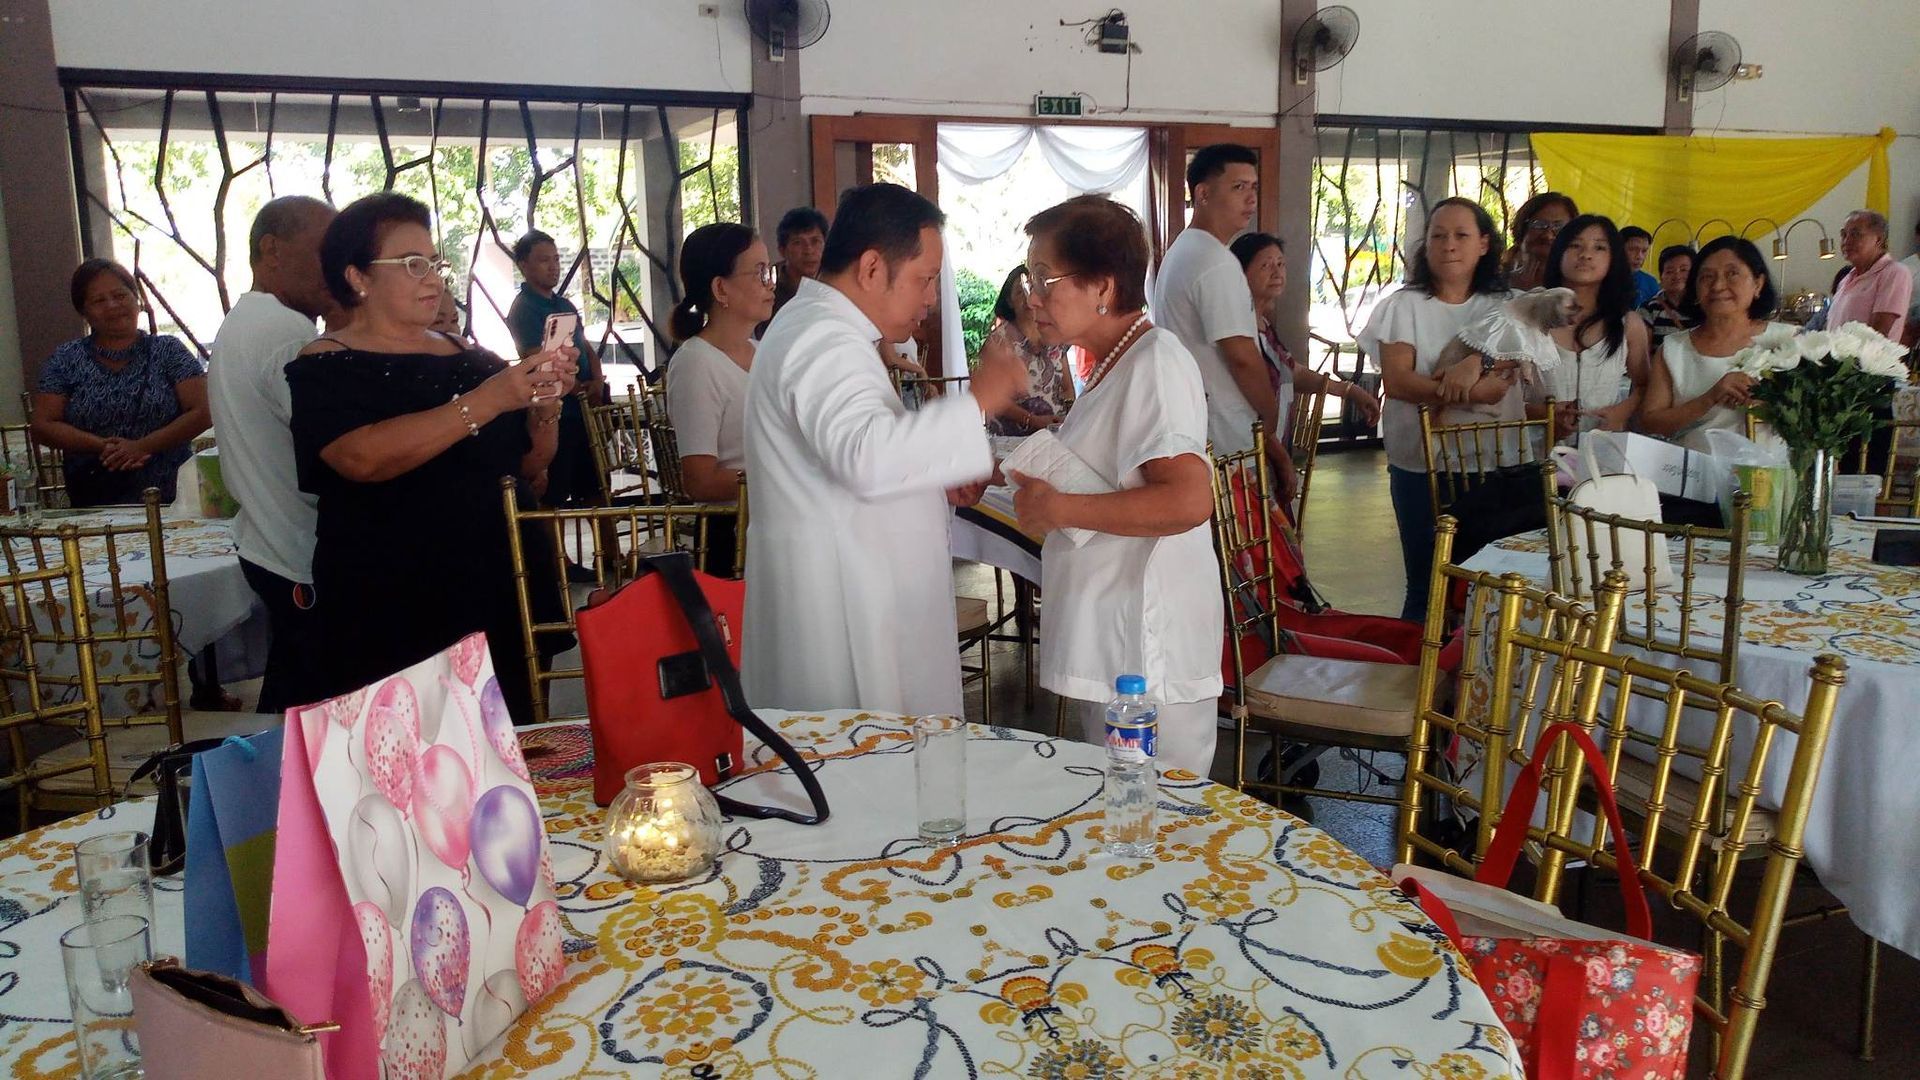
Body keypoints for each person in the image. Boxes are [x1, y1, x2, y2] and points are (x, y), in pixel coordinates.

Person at [286, 193, 577, 723]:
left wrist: (545, 402)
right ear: (358, 277)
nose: (433, 278)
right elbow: (361, 458)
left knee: (501, 751)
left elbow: (533, 463)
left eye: (435, 263)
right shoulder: (326, 365)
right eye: (413, 265)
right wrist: (488, 400)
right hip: (389, 591)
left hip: (490, 578)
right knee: (400, 757)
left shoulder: (473, 358)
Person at [740, 183, 1025, 716]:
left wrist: (934, 474)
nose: (931, 298)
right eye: (925, 279)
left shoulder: (830, 332)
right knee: (861, 772)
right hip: (843, 613)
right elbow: (865, 457)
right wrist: (981, 398)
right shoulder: (821, 338)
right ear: (872, 268)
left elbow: (857, 449)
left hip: (857, 590)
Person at [1008, 196, 1223, 776]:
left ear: (1102, 286)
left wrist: (1060, 506)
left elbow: (1187, 498)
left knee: (1154, 824)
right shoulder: (1111, 362)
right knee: (1118, 823)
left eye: (1045, 279)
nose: (1032, 297)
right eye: (1031, 277)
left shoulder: (1155, 360)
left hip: (1148, 652)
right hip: (1117, 644)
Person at [1358, 197, 1516, 623]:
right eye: (1438, 235)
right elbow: (1400, 381)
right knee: (1426, 583)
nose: (1449, 245)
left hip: (1493, 463)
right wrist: (1468, 392)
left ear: (1484, 243)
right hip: (1419, 462)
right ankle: (1417, 679)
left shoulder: (1507, 306)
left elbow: (1505, 377)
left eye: (1461, 235)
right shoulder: (1403, 306)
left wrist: (1472, 367)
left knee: (1487, 584)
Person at [208, 195, 337, 713]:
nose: (337, 264)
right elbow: (335, 443)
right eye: (325, 249)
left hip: (272, 541)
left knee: (296, 698)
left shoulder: (251, 320)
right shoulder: (283, 330)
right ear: (272, 249)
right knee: (318, 708)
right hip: (299, 550)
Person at [32, 260, 211, 506]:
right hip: (94, 500)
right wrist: (104, 447)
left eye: (119, 295)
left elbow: (203, 412)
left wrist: (142, 446)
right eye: (99, 301)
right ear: (83, 312)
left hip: (173, 499)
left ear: (137, 300)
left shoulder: (169, 350)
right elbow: (43, 425)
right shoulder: (66, 358)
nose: (113, 306)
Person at [1153, 145, 1282, 479]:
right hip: (1227, 438)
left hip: (1199, 425)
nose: (1250, 198)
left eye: (1254, 187)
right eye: (1238, 187)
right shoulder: (1214, 261)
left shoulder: (1183, 249)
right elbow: (1241, 355)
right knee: (1238, 529)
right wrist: (1270, 418)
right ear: (1203, 194)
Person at [663, 222, 773, 574]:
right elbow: (700, 479)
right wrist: (783, 474)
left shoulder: (761, 352)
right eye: (758, 273)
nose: (769, 283)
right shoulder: (697, 362)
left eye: (769, 270)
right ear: (720, 288)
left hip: (774, 522)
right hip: (733, 533)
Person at [1229, 232, 1382, 448]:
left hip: (1270, 446)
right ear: (1240, 273)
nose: (1277, 272)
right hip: (1245, 448)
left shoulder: (1263, 324)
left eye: (1281, 264)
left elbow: (1291, 371)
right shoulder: (1235, 330)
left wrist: (1348, 390)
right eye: (1266, 265)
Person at [1640, 236, 1791, 451]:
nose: (1718, 286)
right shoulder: (1674, 349)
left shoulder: (1789, 343)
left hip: (1770, 477)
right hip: (1694, 475)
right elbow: (1650, 423)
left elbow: (1816, 418)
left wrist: (1767, 403)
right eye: (1707, 277)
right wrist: (1710, 398)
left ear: (1758, 284)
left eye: (1732, 274)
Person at [506, 230, 601, 511]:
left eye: (557, 259)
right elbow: (539, 359)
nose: (554, 266)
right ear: (523, 265)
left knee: (595, 488)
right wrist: (578, 389)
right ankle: (554, 556)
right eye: (544, 260)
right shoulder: (523, 308)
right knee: (553, 495)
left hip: (583, 411)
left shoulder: (564, 304)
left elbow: (585, 346)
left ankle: (611, 554)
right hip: (556, 415)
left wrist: (597, 380)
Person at [1532, 215, 1650, 440]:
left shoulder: (1629, 324)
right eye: (1575, 245)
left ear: (1613, 258)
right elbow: (1504, 397)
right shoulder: (1532, 319)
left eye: (1599, 247)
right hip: (1534, 457)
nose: (1586, 254)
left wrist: (1620, 412)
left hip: (1601, 458)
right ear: (1559, 253)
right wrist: (1544, 415)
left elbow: (1644, 385)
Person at [982, 265, 1078, 436]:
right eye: (1020, 292)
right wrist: (1033, 420)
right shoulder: (999, 340)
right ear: (1009, 301)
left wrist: (1071, 418)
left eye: (1033, 289)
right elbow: (994, 397)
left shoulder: (1054, 336)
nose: (1028, 298)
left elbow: (1067, 387)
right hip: (1012, 437)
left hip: (1054, 435)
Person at [1827, 210, 1913, 342]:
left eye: (1855, 234)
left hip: (1865, 361)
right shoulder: (1847, 278)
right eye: (1844, 234)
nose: (1846, 241)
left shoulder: (1894, 273)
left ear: (1878, 239)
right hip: (1838, 360)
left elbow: (1877, 335)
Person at [763, 206, 829, 332]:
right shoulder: (769, 293)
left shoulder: (835, 287)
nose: (808, 251)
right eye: (798, 243)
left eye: (815, 241)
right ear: (782, 251)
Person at [1502, 192, 1577, 291]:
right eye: (1539, 225)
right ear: (1522, 230)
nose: (1548, 235)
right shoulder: (1497, 285)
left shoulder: (1584, 283)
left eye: (1558, 226)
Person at [1639, 244, 1696, 342]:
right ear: (1661, 277)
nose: (1677, 276)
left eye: (1683, 270)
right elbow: (1644, 353)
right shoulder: (1649, 310)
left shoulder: (1705, 307)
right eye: (1669, 271)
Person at [1620, 226, 1661, 307]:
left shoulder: (1650, 283)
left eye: (1644, 251)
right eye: (1633, 249)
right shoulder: (1601, 278)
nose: (1639, 256)